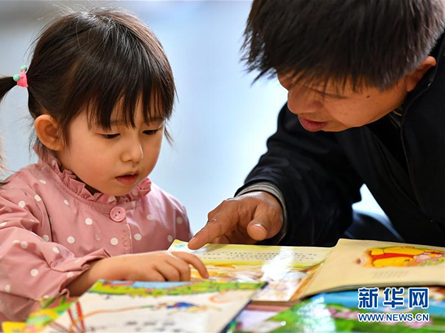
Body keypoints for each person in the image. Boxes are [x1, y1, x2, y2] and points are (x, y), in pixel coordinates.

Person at [0, 8, 208, 331]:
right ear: (53, 133)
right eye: (111, 134)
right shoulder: (19, 202)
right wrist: (102, 273)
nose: (135, 153)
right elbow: (8, 272)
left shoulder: (168, 212)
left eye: (151, 130)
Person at [189, 0, 445, 250]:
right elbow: (312, 155)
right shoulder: (342, 77)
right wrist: (273, 199)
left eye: (327, 92)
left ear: (414, 74)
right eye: (288, 78)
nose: (296, 105)